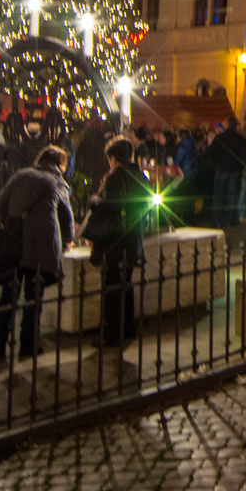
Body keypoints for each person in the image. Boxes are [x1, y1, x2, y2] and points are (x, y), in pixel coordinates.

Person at [0, 145, 76, 358]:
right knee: (33, 298)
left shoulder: (21, 175)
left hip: (15, 245)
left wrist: (12, 224)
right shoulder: (57, 182)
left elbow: (0, 204)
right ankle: (28, 346)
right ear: (60, 164)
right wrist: (69, 240)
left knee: (7, 296)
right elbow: (65, 215)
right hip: (40, 247)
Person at [85, 138, 151, 346]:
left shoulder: (116, 178)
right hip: (134, 238)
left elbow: (110, 206)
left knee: (112, 286)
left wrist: (96, 201)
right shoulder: (142, 177)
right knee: (127, 284)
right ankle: (128, 328)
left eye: (110, 159)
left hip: (116, 240)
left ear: (114, 159)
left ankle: (112, 334)